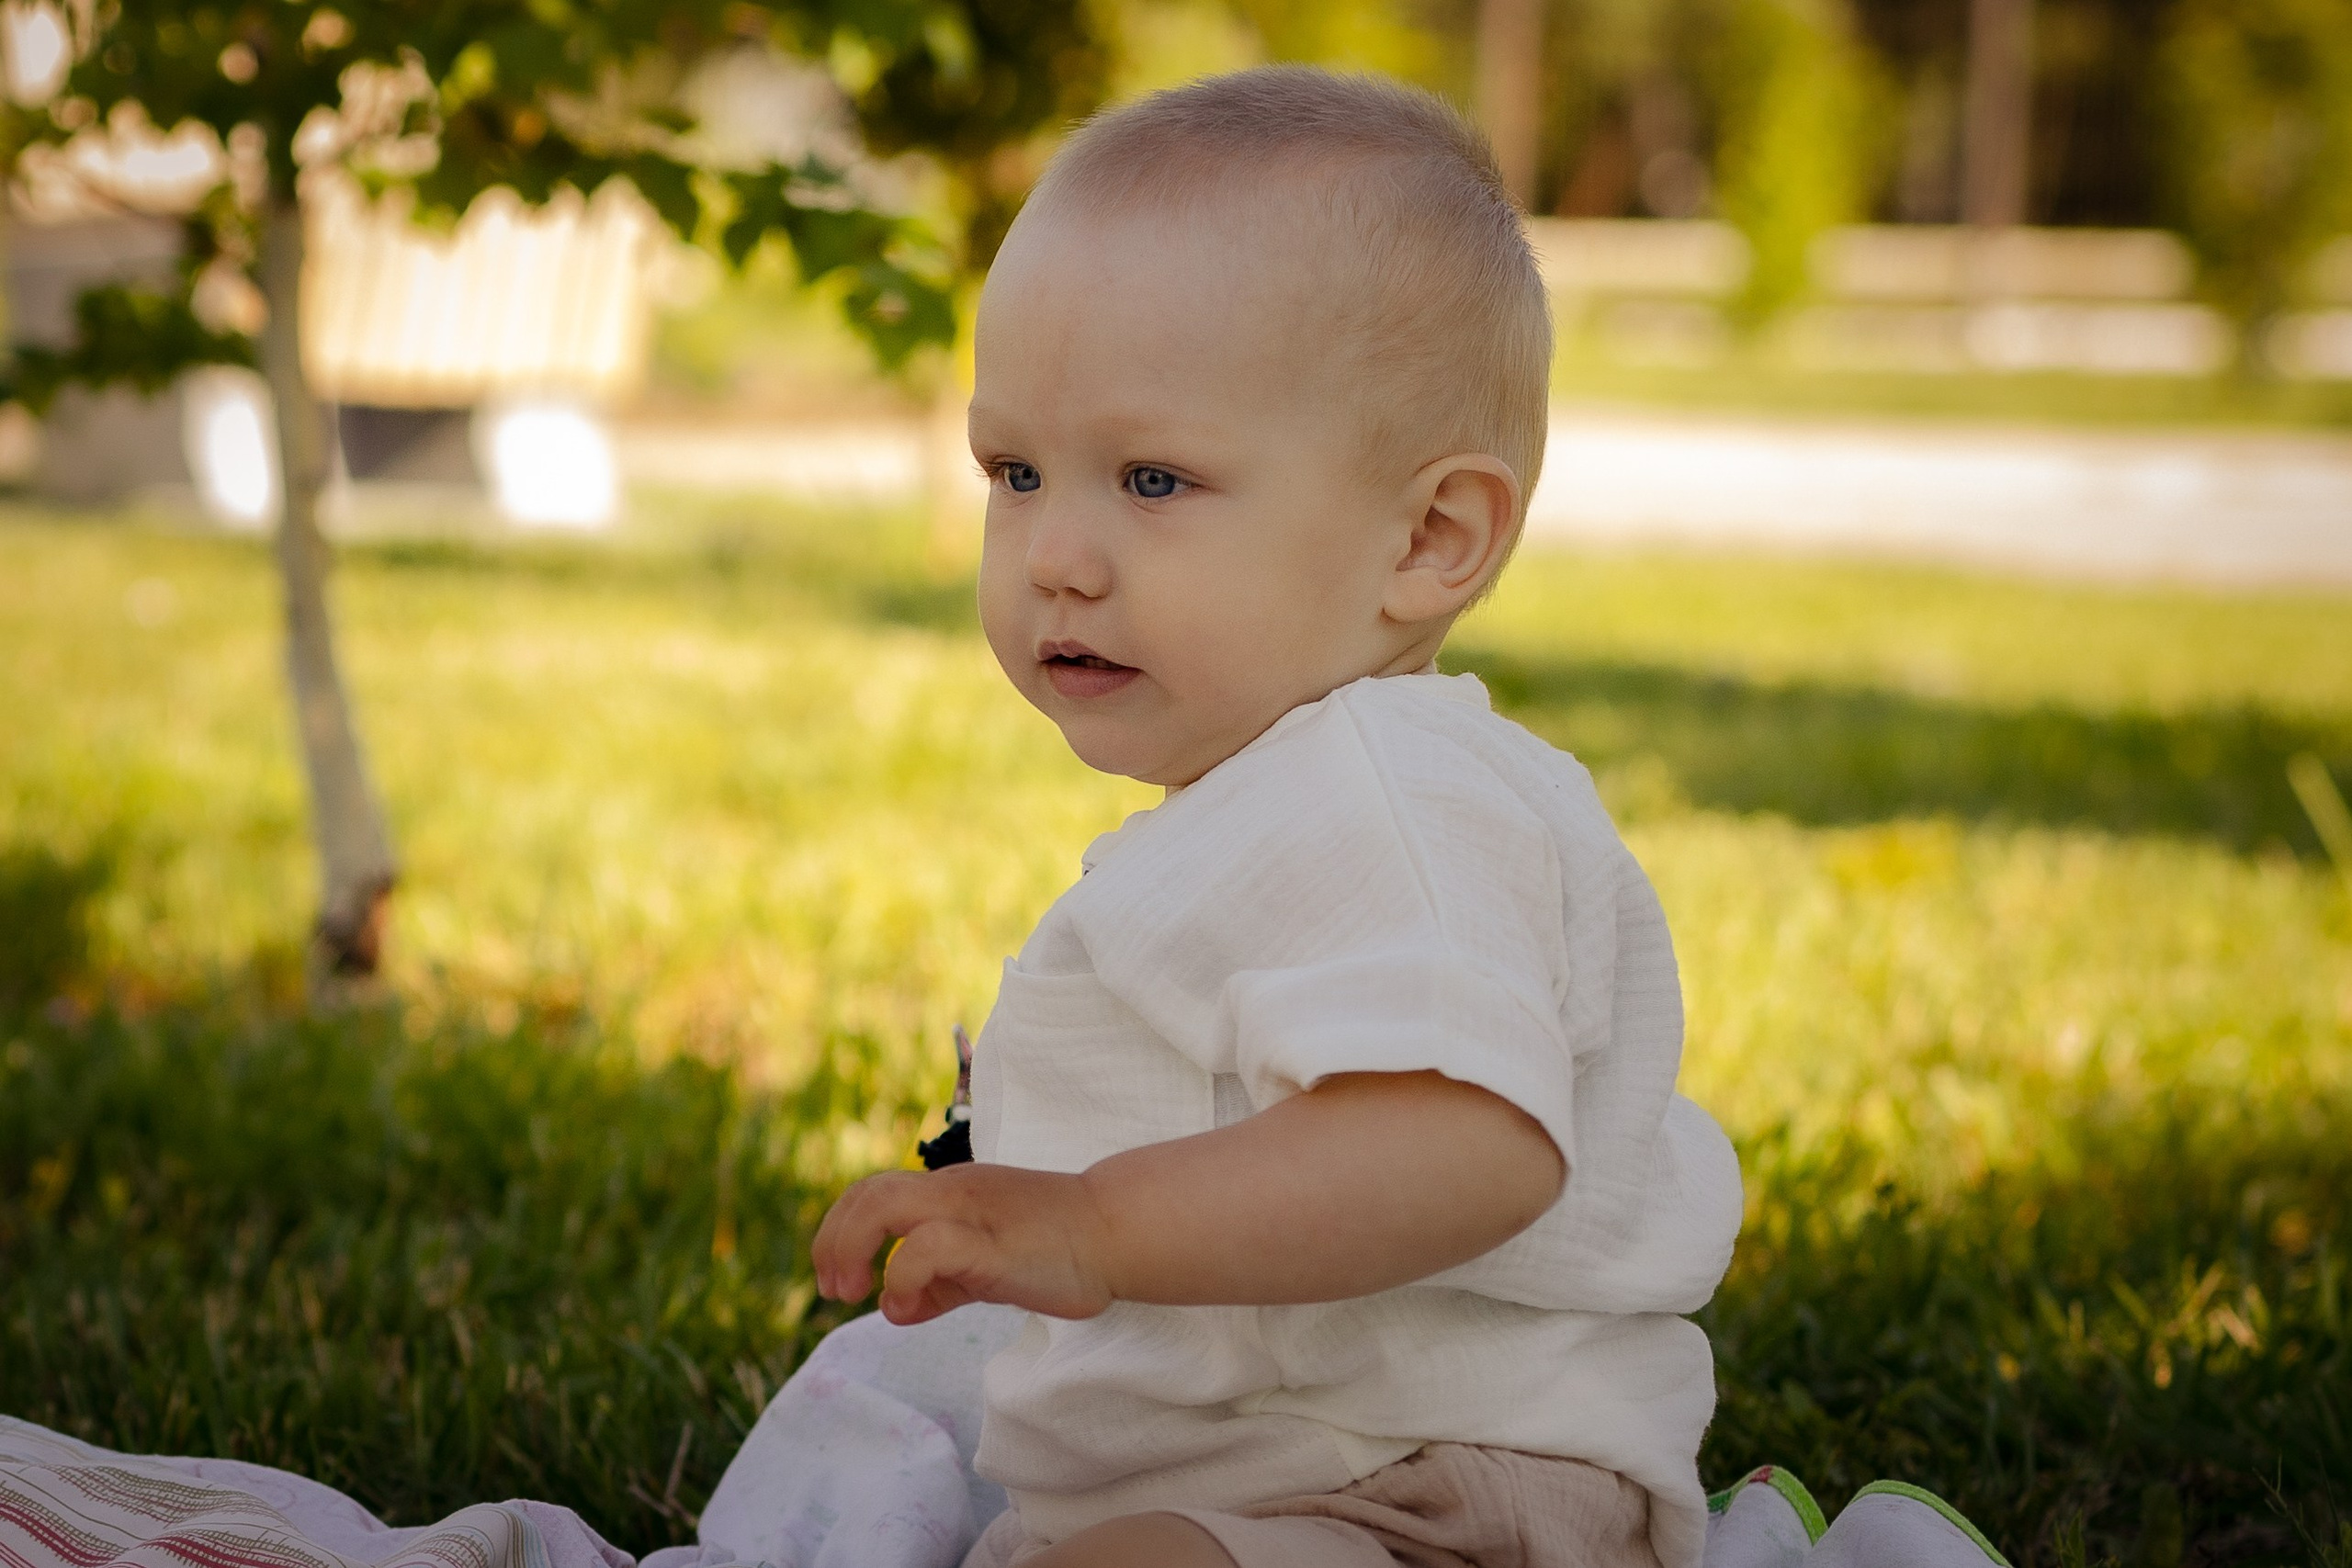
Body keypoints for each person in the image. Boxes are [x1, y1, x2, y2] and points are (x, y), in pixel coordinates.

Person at [812, 65, 1744, 1568]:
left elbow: (1468, 1138)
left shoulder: (1390, 801)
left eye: (1154, 478)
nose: (1055, 552)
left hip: (1432, 1495)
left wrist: (1090, 1222)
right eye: (1018, 471)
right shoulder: (1293, 790)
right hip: (1291, 1476)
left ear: (1431, 538)